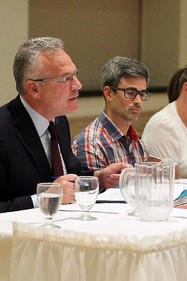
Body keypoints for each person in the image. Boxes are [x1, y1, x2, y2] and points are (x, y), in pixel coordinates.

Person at [0, 37, 127, 212]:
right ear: (34, 88)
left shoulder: (58, 120)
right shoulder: (4, 130)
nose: (78, 85)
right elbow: (54, 189)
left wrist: (100, 177)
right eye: (66, 79)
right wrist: (43, 198)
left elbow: (63, 178)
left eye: (75, 75)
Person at [72, 56, 149, 170]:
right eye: (130, 92)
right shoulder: (90, 144)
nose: (138, 101)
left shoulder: (138, 143)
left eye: (142, 94)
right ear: (108, 93)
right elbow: (95, 187)